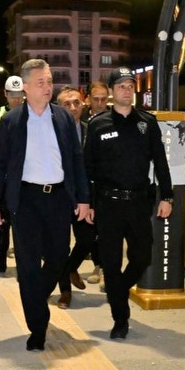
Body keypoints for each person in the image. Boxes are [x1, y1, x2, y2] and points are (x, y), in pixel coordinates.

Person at [0, 59, 91, 351]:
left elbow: (76, 160)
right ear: (27, 87)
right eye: (40, 83)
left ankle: (35, 296)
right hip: (26, 200)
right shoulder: (11, 121)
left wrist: (83, 198)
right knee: (28, 266)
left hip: (58, 198)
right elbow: (0, 166)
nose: (47, 87)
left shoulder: (64, 119)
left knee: (58, 258)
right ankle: (37, 328)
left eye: (49, 81)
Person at [83, 66, 174, 340]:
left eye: (130, 86)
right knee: (110, 263)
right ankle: (120, 319)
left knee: (143, 256)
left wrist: (167, 196)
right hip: (108, 204)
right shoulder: (99, 125)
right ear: (111, 92)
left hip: (138, 203)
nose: (126, 90)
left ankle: (118, 290)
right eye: (121, 86)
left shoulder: (147, 123)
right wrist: (86, 202)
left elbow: (160, 162)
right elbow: (87, 168)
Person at [54, 85, 93, 308]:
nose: (72, 107)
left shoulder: (91, 130)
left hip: (84, 197)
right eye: (66, 104)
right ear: (59, 108)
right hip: (59, 197)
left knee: (87, 239)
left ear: (82, 104)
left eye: (76, 103)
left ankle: (70, 269)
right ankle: (65, 292)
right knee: (60, 246)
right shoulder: (52, 132)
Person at [0, 75, 25, 272]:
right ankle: (0, 259)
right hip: (3, 175)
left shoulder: (32, 114)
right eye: (12, 94)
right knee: (2, 222)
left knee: (22, 225)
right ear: (5, 94)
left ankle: (22, 264)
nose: (16, 99)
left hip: (24, 177)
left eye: (19, 94)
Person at [83, 81, 109, 287]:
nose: (100, 103)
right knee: (89, 232)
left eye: (103, 99)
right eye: (96, 99)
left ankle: (103, 268)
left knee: (107, 229)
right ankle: (96, 263)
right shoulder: (82, 120)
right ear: (89, 99)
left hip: (107, 183)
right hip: (84, 182)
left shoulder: (113, 119)